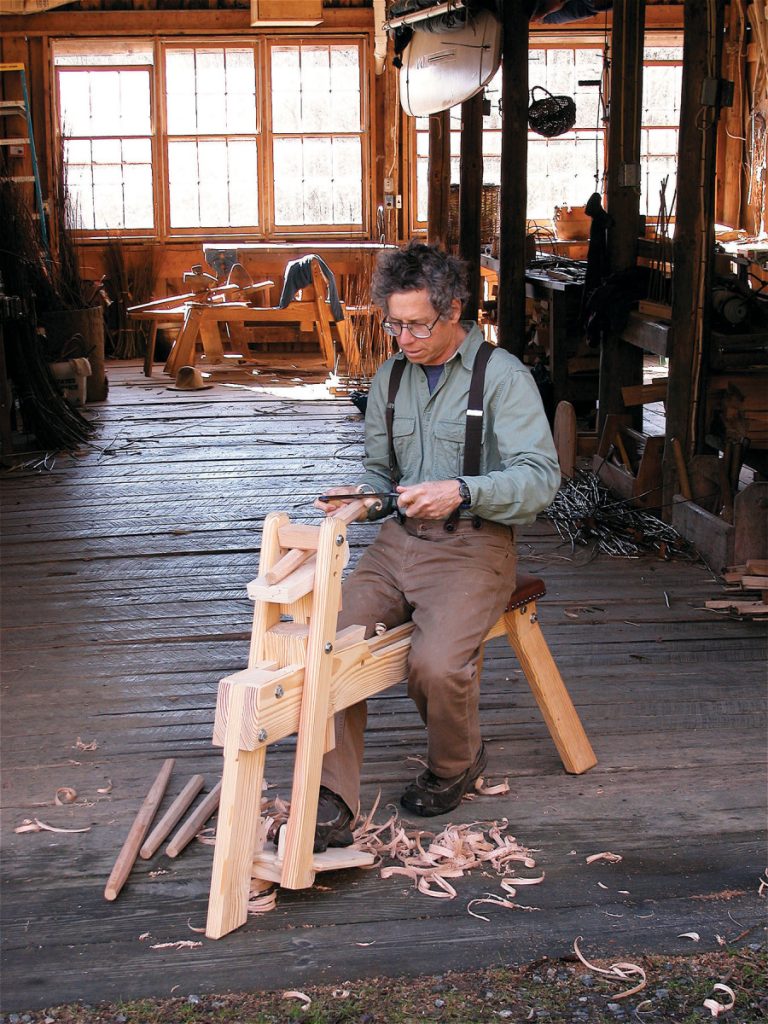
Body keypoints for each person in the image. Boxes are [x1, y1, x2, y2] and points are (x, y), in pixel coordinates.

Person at [312, 241, 560, 852]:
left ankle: (456, 764)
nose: (404, 338)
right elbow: (379, 471)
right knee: (330, 645)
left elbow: (541, 479)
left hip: (475, 545)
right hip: (397, 543)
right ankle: (332, 795)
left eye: (418, 324)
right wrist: (364, 500)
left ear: (454, 312)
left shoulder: (502, 377)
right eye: (394, 323)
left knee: (436, 665)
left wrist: (461, 490)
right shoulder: (390, 376)